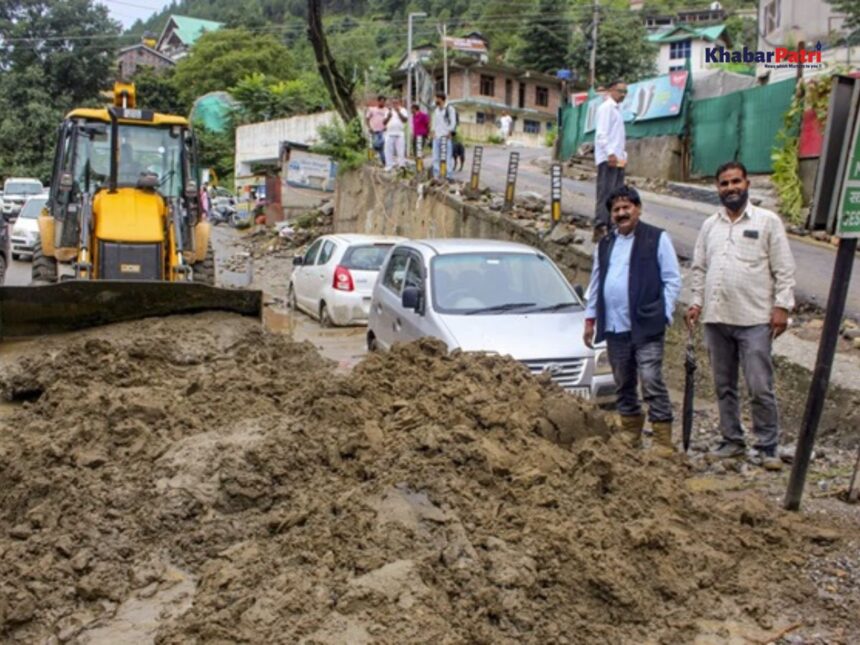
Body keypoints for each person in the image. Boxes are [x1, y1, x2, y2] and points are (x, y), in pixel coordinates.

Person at [685, 161, 796, 471]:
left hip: (755, 320)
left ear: (747, 184)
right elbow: (700, 269)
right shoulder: (710, 226)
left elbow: (784, 269)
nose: (730, 188)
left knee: (760, 385)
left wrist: (782, 306)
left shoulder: (768, 222)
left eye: (736, 182)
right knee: (724, 385)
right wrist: (696, 302)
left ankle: (767, 445)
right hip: (717, 319)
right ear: (717, 189)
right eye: (724, 184)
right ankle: (732, 440)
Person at [584, 185, 682, 454]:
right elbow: (596, 283)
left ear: (637, 209)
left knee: (650, 377)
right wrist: (590, 318)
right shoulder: (605, 244)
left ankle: (662, 439)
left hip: (646, 324)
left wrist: (664, 311)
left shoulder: (656, 238)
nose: (622, 213)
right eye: (616, 209)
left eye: (627, 208)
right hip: (615, 326)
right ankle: (631, 431)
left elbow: (672, 279)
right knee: (623, 380)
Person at [594, 80, 628, 242]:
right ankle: (600, 226)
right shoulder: (606, 108)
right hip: (608, 159)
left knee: (617, 194)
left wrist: (623, 156)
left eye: (625, 92)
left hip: (617, 158)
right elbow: (601, 134)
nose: (623, 95)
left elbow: (618, 138)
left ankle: (612, 226)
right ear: (612, 90)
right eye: (621, 91)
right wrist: (610, 154)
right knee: (606, 192)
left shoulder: (617, 110)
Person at [430, 92, 456, 179]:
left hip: (446, 136)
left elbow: (453, 122)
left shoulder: (450, 109)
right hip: (437, 136)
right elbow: (434, 122)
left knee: (447, 157)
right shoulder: (436, 110)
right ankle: (436, 175)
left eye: (436, 98)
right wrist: (433, 131)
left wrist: (450, 131)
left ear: (441, 99)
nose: (435, 100)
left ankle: (448, 175)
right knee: (435, 157)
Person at [383, 97, 409, 171]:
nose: (395, 104)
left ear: (399, 103)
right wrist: (388, 116)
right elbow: (384, 122)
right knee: (388, 150)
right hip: (389, 133)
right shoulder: (388, 111)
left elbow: (405, 120)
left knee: (401, 150)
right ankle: (389, 165)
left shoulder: (403, 110)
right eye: (393, 103)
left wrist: (398, 112)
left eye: (396, 103)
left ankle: (401, 165)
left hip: (399, 133)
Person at [365, 95, 388, 166]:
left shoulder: (386, 110)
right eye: (381, 101)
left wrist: (387, 126)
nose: (383, 103)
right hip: (374, 131)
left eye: (384, 102)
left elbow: (389, 120)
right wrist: (369, 127)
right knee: (374, 145)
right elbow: (367, 119)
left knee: (381, 147)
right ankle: (373, 160)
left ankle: (384, 162)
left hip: (383, 131)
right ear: (378, 101)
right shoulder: (372, 109)